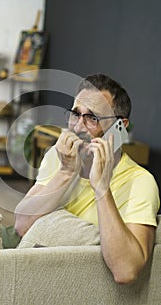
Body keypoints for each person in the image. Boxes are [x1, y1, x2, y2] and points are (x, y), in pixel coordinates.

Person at [14, 73, 160, 284]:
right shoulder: (59, 157)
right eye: (75, 114)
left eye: (92, 118)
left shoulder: (140, 182)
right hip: (33, 275)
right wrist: (65, 173)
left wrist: (101, 189)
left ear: (120, 126)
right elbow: (21, 225)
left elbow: (126, 271)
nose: (78, 127)